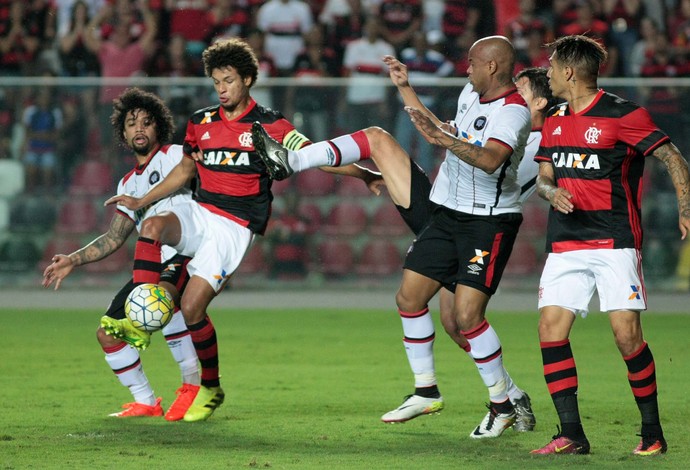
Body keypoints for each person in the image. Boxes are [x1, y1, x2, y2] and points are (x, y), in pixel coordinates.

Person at [253, 38, 553, 438]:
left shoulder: (531, 136)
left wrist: (444, 138)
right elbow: (451, 132)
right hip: (443, 208)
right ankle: (293, 159)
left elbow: (491, 159)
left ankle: (507, 396)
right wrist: (406, 90)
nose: (467, 69)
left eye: (527, 87)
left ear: (537, 105)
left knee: (458, 321)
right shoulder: (475, 96)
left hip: (482, 221)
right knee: (378, 141)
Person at [101, 38, 319, 423]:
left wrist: (362, 169)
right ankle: (142, 317)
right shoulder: (201, 122)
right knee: (150, 226)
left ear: (248, 79)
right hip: (203, 213)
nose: (221, 88)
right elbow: (185, 170)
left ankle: (210, 387)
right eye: (216, 81)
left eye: (228, 80)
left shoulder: (270, 123)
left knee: (190, 309)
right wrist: (139, 201)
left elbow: (316, 155)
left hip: (234, 227)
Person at [530, 34, 690, 456]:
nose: (546, 71)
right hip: (565, 241)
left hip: (614, 241)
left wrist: (685, 208)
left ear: (568, 72)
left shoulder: (623, 115)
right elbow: (544, 177)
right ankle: (571, 434)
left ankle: (652, 433)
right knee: (550, 330)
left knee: (626, 337)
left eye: (551, 65)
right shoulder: (554, 119)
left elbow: (673, 156)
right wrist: (549, 193)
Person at [42, 87, 200, 420]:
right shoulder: (128, 184)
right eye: (131, 124)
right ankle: (145, 401)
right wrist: (73, 258)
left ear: (158, 127)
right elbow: (114, 237)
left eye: (146, 122)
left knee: (165, 302)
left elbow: (193, 174)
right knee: (107, 333)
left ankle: (192, 388)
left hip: (188, 252)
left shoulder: (174, 155)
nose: (139, 128)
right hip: (151, 264)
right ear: (123, 133)